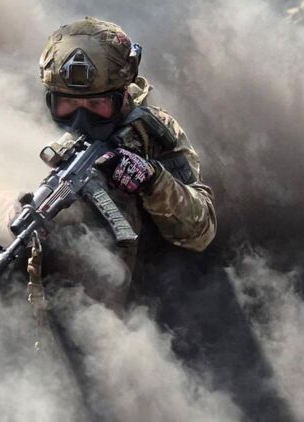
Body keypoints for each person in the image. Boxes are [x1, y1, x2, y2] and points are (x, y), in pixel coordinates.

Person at [19, 16, 216, 314]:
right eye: (66, 105)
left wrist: (153, 181)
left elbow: (201, 232)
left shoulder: (151, 131)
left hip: (140, 299)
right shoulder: (24, 113)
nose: (80, 119)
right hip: (42, 290)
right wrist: (7, 208)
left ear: (122, 96)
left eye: (96, 105)